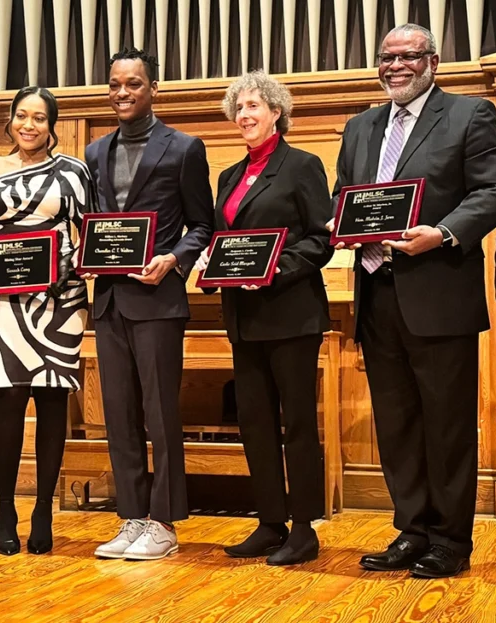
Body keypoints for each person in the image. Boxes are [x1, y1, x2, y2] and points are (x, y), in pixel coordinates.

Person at [330, 23, 496, 578]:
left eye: (408, 56)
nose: (396, 66)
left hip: (437, 291)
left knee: (446, 424)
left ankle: (451, 541)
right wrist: (342, 222)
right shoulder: (360, 125)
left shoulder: (469, 115)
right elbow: (346, 194)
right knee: (397, 424)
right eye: (387, 58)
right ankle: (411, 531)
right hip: (377, 291)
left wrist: (444, 232)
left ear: (432, 61)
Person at [196, 71, 333, 565]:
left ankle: (304, 528)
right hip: (244, 317)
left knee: (296, 422)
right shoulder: (228, 176)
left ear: (276, 112)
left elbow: (321, 240)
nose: (245, 115)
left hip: (291, 315)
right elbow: (223, 242)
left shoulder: (302, 166)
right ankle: (270, 522)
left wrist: (274, 269)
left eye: (255, 105)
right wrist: (212, 267)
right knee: (253, 422)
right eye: (239, 108)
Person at [83, 48, 214, 560]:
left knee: (160, 415)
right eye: (115, 84)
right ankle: (131, 517)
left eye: (133, 84)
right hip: (110, 299)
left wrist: (173, 258)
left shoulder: (183, 148)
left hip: (158, 298)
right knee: (119, 414)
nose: (122, 93)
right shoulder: (95, 152)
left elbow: (202, 224)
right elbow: (99, 225)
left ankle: (164, 523)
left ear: (153, 88)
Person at [0, 86, 93, 556]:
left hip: (61, 298)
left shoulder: (75, 171)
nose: (29, 125)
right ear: (10, 120)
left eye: (39, 118)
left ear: (52, 125)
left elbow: (90, 230)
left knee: (51, 403)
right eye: (21, 116)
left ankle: (43, 509)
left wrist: (69, 265)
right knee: (8, 402)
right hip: (5, 303)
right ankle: (6, 510)